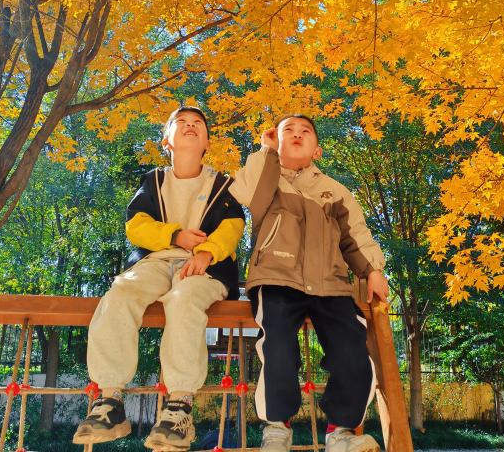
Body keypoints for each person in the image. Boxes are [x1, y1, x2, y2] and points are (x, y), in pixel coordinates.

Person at [73, 106, 245, 448]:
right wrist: (175, 235)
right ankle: (110, 400)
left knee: (183, 300)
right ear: (167, 140)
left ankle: (179, 406)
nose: (190, 125)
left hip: (203, 266)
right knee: (120, 293)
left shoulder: (223, 184)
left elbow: (233, 226)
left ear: (208, 143)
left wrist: (207, 252)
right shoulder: (154, 181)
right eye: (181, 123)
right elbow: (136, 226)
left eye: (198, 123)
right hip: (155, 261)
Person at [229, 113, 390, 452]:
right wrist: (266, 151)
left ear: (317, 150)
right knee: (277, 346)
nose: (297, 134)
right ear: (277, 141)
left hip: (331, 283)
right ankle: (277, 428)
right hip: (276, 278)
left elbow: (355, 235)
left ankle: (341, 432)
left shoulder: (335, 191)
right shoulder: (266, 178)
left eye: (305, 131)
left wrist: (372, 270)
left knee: (352, 347)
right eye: (288, 130)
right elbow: (243, 191)